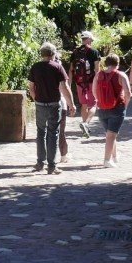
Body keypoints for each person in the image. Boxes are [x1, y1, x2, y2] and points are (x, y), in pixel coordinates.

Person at [26, 42, 75, 174]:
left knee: (41, 132)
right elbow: (64, 87)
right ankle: (52, 166)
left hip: (40, 104)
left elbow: (31, 87)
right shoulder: (57, 67)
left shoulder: (35, 67)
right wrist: (71, 104)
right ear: (53, 54)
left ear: (42, 54)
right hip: (54, 104)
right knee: (53, 133)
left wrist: (36, 99)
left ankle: (40, 163)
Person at [93, 53, 132, 167]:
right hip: (117, 108)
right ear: (118, 63)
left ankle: (114, 157)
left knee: (110, 133)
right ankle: (107, 160)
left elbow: (94, 90)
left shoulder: (98, 75)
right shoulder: (121, 75)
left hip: (102, 108)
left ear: (106, 63)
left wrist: (99, 101)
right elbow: (128, 93)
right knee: (111, 135)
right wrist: (126, 105)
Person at [69, 31, 99, 137]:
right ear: (89, 39)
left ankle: (84, 128)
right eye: (91, 40)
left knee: (84, 104)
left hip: (79, 83)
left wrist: (69, 82)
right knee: (94, 104)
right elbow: (97, 69)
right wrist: (98, 82)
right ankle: (86, 123)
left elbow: (71, 69)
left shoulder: (75, 52)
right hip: (91, 82)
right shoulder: (94, 52)